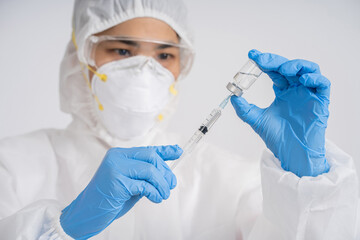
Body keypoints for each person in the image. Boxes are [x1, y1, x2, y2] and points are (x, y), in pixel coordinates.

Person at [0, 0, 359, 239]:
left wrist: (305, 181)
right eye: (122, 49)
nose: (145, 69)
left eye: (164, 55)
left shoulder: (232, 179)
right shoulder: (12, 165)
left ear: (180, 64)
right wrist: (66, 226)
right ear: (82, 54)